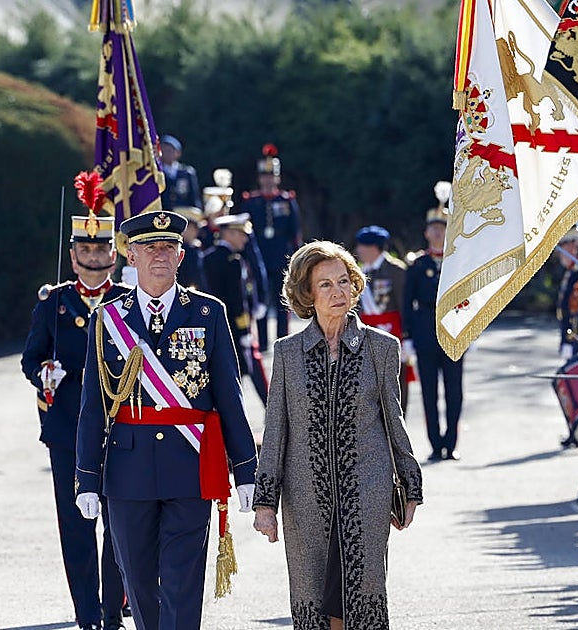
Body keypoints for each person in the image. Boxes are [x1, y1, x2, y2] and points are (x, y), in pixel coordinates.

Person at [74, 210, 258, 630]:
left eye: (168, 248)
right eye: (149, 248)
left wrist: (246, 471)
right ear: (131, 257)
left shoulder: (209, 314)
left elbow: (230, 397)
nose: (159, 255)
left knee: (182, 580)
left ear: (180, 257)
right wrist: (86, 478)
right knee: (138, 581)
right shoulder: (108, 319)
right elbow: (93, 407)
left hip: (189, 464)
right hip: (127, 471)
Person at [252, 240, 423, 630]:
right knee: (313, 597)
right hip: (305, 497)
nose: (338, 291)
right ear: (306, 294)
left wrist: (410, 485)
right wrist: (266, 503)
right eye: (325, 284)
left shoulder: (382, 348)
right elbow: (276, 429)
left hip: (368, 491)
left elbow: (394, 420)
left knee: (362, 594)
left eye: (344, 281)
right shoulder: (287, 352)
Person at [22, 212, 129, 630]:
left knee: (118, 525)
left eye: (101, 249)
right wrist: (44, 371)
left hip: (119, 431)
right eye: (85, 250)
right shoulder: (54, 302)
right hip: (67, 431)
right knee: (76, 527)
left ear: (113, 255)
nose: (93, 257)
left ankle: (111, 614)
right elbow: (31, 358)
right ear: (72, 256)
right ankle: (87, 616)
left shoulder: (125, 300)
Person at [403, 208, 465, 461]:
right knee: (429, 391)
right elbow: (407, 302)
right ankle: (434, 443)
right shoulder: (418, 265)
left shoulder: (458, 261)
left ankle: (451, 443)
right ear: (426, 233)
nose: (438, 233)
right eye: (434, 229)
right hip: (426, 331)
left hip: (453, 331)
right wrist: (407, 336)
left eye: (443, 228)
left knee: (455, 391)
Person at [201, 213, 269, 403]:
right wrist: (244, 329)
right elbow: (237, 301)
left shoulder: (207, 257)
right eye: (241, 234)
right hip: (234, 328)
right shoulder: (233, 261)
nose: (245, 239)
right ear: (229, 234)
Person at [241, 143, 302, 350]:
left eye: (271, 176)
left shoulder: (286, 200)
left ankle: (282, 340)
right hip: (259, 257)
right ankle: (264, 342)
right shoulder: (251, 202)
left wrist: (296, 260)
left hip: (281, 256)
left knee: (282, 299)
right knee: (260, 301)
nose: (268, 180)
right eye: (264, 176)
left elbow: (295, 232)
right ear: (260, 178)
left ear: (277, 178)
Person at [354, 225, 411, 405]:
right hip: (368, 333)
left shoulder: (395, 270)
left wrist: (407, 337)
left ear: (374, 248)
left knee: (396, 382)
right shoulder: (360, 272)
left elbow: (404, 305)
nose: (358, 250)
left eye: (362, 246)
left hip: (392, 331)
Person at [159, 135, 201, 212]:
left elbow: (194, 198)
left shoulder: (187, 173)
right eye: (164, 150)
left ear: (178, 153)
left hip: (184, 215)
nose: (167, 153)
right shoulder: (158, 173)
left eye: (170, 150)